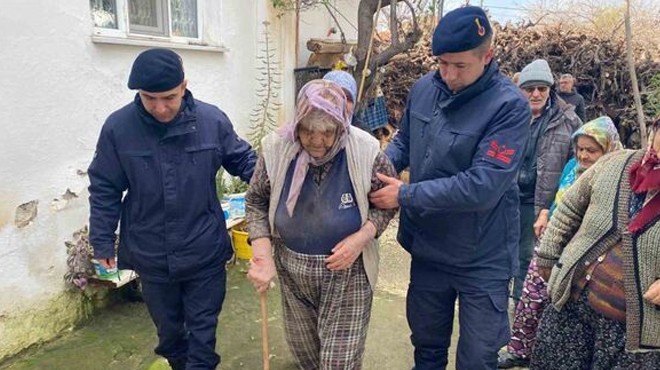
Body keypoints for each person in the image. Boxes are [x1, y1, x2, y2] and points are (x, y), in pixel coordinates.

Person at [369, 6, 531, 369]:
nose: (448, 74)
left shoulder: (509, 106)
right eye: (442, 63)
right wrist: (378, 168)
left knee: (477, 358)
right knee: (426, 348)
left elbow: (483, 186)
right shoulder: (425, 88)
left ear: (486, 56)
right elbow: (404, 142)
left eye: (460, 66)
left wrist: (404, 195)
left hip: (482, 255)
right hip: (429, 248)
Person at [88, 48, 256, 370]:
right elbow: (105, 186)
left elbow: (244, 161)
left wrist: (283, 179)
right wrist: (102, 240)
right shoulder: (118, 129)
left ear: (184, 86)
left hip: (203, 248)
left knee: (202, 335)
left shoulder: (212, 121)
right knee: (170, 335)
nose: (160, 108)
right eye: (150, 99)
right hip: (151, 252)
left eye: (169, 97)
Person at [245, 79, 397, 369]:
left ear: (341, 125)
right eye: (307, 131)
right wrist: (263, 256)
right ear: (297, 123)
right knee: (307, 357)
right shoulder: (277, 148)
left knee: (337, 363)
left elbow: (386, 204)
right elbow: (256, 201)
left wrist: (360, 238)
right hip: (293, 271)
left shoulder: (366, 151)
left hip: (348, 272)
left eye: (327, 132)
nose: (317, 141)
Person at [531, 116, 660, 369]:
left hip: (630, 334)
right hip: (570, 306)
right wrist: (548, 255)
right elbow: (569, 208)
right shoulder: (615, 163)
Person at [497, 116, 623, 369]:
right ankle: (520, 350)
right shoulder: (570, 168)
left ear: (608, 149)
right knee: (530, 298)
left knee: (558, 307)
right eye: (581, 149)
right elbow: (558, 199)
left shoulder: (616, 179)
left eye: (592, 150)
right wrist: (545, 212)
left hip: (581, 255)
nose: (584, 156)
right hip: (551, 242)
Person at [512, 59, 582, 302]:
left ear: (550, 89)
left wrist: (551, 209)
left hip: (540, 205)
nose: (535, 94)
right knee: (498, 259)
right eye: (529, 88)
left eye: (541, 88)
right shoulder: (506, 116)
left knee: (527, 262)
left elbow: (577, 169)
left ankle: (518, 319)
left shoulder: (569, 121)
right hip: (506, 201)